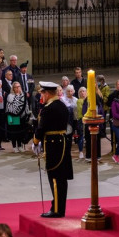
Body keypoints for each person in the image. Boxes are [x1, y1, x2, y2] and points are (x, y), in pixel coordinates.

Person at [33, 82, 73, 218]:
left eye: (42, 93)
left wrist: (35, 141)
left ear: (47, 93)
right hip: (62, 143)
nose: (41, 96)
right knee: (62, 178)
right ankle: (60, 207)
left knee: (55, 177)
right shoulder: (62, 106)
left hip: (53, 145)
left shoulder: (48, 108)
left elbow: (42, 127)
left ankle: (56, 209)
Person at [6, 81, 29, 153]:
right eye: (15, 87)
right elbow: (10, 106)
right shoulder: (10, 96)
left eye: (19, 87)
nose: (17, 88)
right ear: (13, 88)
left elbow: (26, 105)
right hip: (13, 116)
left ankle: (19, 146)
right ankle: (14, 146)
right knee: (14, 132)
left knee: (20, 132)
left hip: (22, 116)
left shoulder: (23, 95)